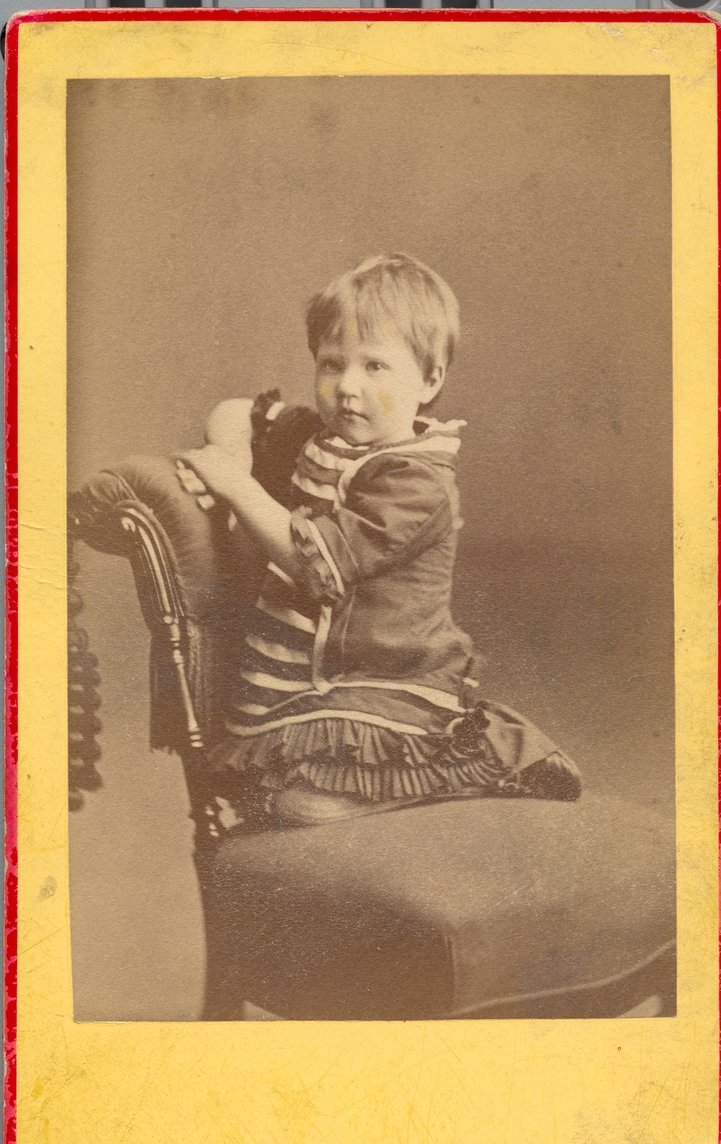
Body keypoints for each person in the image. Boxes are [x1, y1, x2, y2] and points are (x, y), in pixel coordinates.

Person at [179, 252, 581, 829]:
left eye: (374, 367)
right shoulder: (321, 438)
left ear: (430, 379)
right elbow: (236, 410)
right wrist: (231, 454)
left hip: (385, 683)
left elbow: (312, 565)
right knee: (273, 793)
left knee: (302, 805)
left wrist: (236, 487)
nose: (347, 387)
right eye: (331, 363)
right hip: (301, 682)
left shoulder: (416, 482)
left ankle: (473, 768)